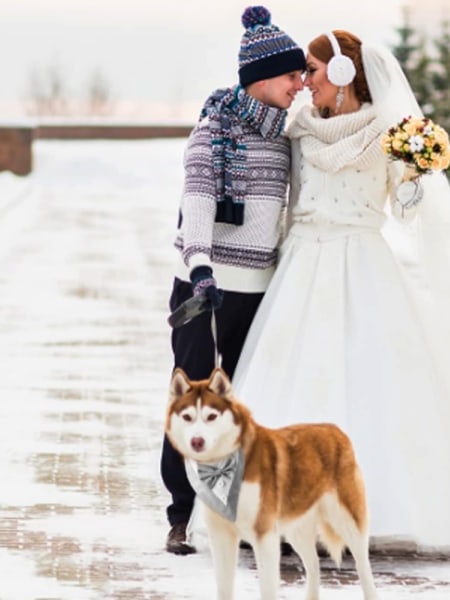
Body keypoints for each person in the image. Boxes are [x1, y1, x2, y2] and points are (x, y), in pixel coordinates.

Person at [232, 30, 450, 555]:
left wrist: (415, 172)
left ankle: (373, 510)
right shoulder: (298, 130)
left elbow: (406, 214)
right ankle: (277, 507)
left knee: (378, 385)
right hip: (303, 265)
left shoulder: (391, 133)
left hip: (363, 261)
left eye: (312, 70)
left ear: (342, 75)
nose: (304, 82)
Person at [160, 6, 306, 555]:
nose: (300, 85)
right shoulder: (212, 132)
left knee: (246, 408)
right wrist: (201, 269)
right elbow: (197, 204)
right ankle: (181, 514)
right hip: (205, 289)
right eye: (292, 76)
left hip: (259, 290)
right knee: (192, 406)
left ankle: (243, 514)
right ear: (263, 78)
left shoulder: (284, 136)